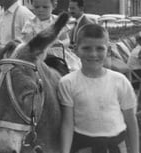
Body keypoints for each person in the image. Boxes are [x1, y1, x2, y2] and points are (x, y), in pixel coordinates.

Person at [59, 24, 139, 153]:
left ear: (108, 50)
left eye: (100, 48)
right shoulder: (67, 83)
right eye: (86, 48)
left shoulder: (120, 81)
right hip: (82, 146)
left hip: (116, 146)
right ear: (75, 50)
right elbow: (67, 124)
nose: (93, 54)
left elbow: (131, 120)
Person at [21, 0, 81, 72]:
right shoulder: (30, 23)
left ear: (54, 6)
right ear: (32, 6)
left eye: (45, 7)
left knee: (72, 70)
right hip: (39, 55)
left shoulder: (58, 21)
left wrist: (61, 43)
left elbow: (66, 40)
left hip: (58, 54)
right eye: (36, 7)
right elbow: (28, 42)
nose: (40, 10)